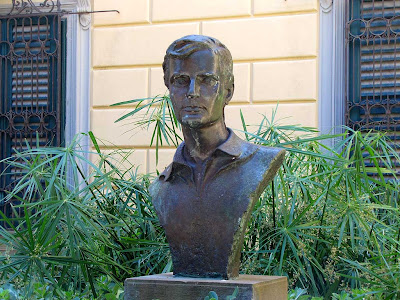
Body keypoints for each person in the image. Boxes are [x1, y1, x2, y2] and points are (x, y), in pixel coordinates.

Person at [149, 35, 285, 279]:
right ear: (168, 89)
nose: (192, 92)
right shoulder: (162, 187)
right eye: (181, 80)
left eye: (206, 80)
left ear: (229, 89)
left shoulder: (260, 163)